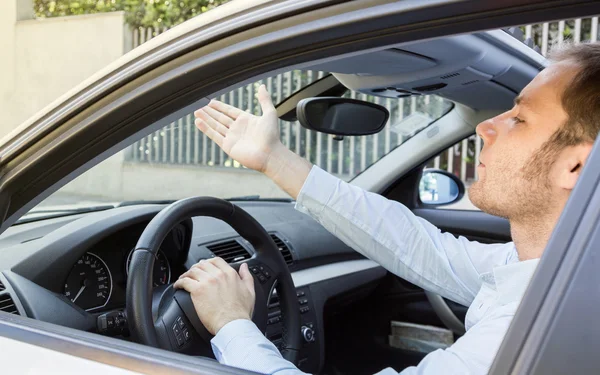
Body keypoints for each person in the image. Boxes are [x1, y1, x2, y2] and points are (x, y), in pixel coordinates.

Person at [173, 42, 600, 374]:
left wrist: (230, 322)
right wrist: (274, 159)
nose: (485, 126)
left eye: (519, 119)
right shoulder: (560, 271)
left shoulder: (524, 333)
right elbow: (420, 247)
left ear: (576, 164)